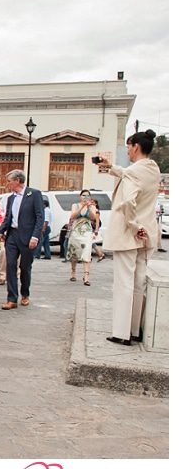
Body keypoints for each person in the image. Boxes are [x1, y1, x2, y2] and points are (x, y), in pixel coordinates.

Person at [96, 130, 162, 345]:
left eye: (128, 147)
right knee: (138, 282)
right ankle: (134, 329)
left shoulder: (133, 173)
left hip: (129, 233)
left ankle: (121, 332)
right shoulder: (152, 169)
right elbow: (127, 172)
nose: (127, 151)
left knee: (123, 282)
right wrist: (109, 166)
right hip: (148, 233)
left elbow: (127, 202)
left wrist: (135, 227)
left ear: (135, 146)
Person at [0, 170, 45, 310]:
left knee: (25, 267)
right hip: (12, 235)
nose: (7, 184)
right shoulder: (10, 198)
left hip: (28, 236)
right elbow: (8, 218)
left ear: (17, 180)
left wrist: (35, 236)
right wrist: (0, 230)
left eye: (9, 181)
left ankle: (25, 293)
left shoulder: (34, 194)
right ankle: (11, 299)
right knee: (10, 265)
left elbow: (40, 217)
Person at [66, 190, 99, 285]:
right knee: (74, 253)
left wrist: (88, 207)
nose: (85, 197)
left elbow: (93, 218)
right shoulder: (75, 205)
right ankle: (73, 272)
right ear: (80, 196)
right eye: (83, 195)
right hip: (76, 232)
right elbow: (73, 216)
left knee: (87, 251)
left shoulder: (92, 206)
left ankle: (86, 276)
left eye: (88, 196)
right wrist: (83, 207)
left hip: (87, 232)